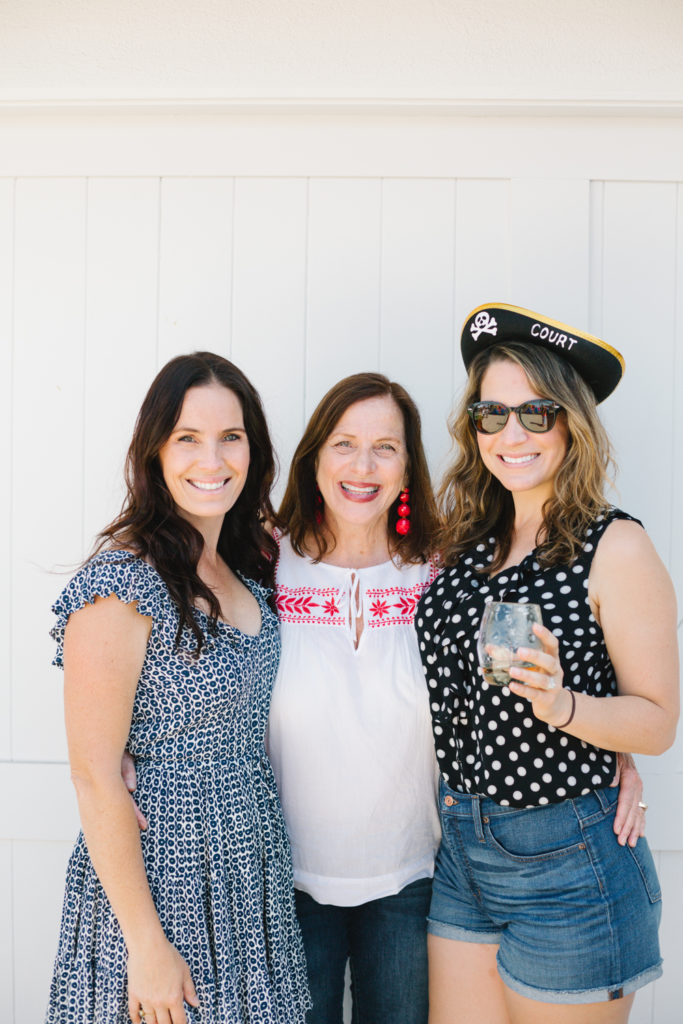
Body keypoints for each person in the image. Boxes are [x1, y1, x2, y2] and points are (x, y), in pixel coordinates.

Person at [416, 304, 680, 1024]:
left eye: (536, 413)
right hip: (461, 849)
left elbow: (657, 722)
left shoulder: (615, 546)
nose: (512, 435)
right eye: (490, 415)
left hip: (570, 859)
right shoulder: (467, 541)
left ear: (571, 424)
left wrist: (564, 706)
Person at [46, 353, 310, 1024]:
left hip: (251, 875)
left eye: (231, 437)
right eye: (187, 437)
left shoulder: (246, 567)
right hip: (163, 878)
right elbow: (94, 776)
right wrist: (146, 945)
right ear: (156, 451)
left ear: (253, 450)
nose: (211, 459)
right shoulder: (122, 583)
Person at [267, 373, 441, 1024]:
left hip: (411, 877)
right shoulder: (262, 563)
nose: (362, 467)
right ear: (314, 459)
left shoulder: (441, 570)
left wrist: (615, 753)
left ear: (407, 467)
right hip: (284, 880)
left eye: (384, 447)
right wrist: (126, 742)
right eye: (343, 444)